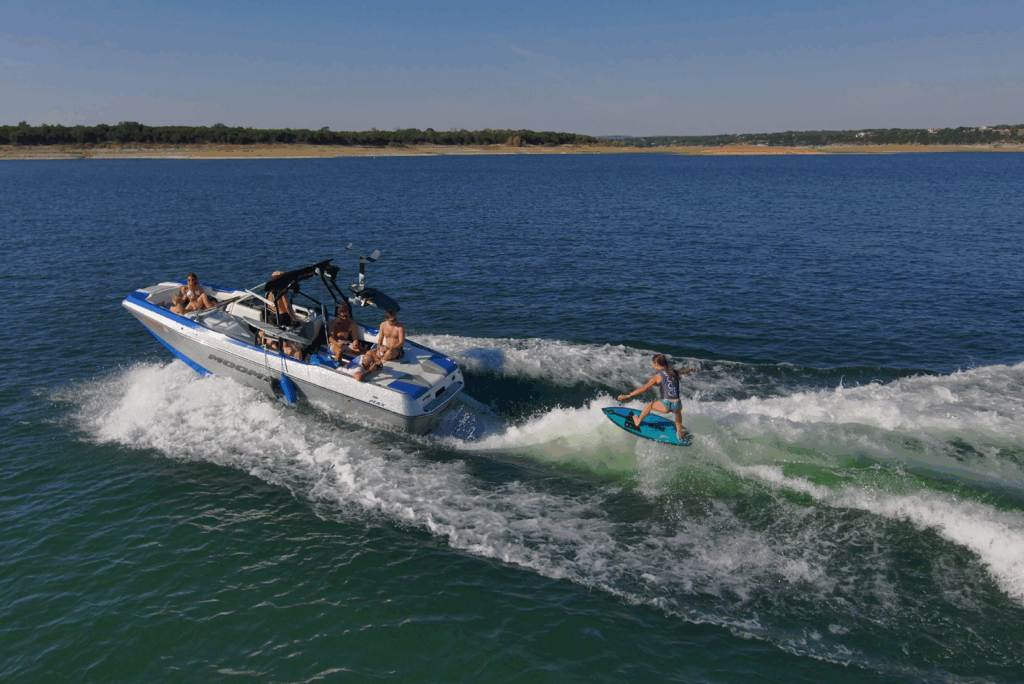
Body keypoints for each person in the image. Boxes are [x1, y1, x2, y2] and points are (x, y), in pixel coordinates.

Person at [618, 354, 695, 441]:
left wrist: (628, 395)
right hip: (678, 404)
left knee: (650, 405)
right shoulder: (673, 371)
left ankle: (638, 421)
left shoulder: (657, 376)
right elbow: (683, 371)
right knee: (678, 413)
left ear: (656, 364)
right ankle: (679, 431)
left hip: (666, 405)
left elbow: (643, 389)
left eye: (653, 364)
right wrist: (689, 370)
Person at [354, 309, 405, 382]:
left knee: (389, 352)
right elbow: (380, 339)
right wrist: (380, 348)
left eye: (395, 319)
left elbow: (401, 343)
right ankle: (362, 371)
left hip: (396, 349)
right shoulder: (383, 325)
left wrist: (390, 348)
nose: (395, 322)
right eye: (392, 320)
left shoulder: (400, 327)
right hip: (386, 347)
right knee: (369, 353)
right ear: (387, 319)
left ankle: (378, 364)